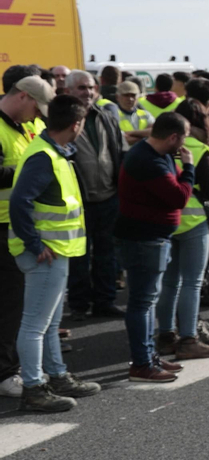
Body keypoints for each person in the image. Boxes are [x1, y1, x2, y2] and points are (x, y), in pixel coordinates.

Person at [9, 95, 101, 412]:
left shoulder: (51, 151)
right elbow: (18, 203)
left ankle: (56, 375)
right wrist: (35, 244)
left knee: (47, 323)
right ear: (76, 124)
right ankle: (34, 389)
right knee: (36, 325)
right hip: (44, 253)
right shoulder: (44, 156)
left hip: (53, 251)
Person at [113, 111, 198, 381]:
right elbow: (178, 196)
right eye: (184, 136)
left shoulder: (158, 155)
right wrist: (190, 168)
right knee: (142, 302)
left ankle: (149, 357)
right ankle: (141, 364)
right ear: (173, 137)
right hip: (143, 239)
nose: (186, 142)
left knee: (147, 302)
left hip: (152, 237)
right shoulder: (146, 159)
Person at [155, 96, 209, 358]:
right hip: (194, 222)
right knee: (192, 283)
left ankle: (166, 336)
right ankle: (188, 339)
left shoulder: (161, 145)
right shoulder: (198, 149)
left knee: (169, 282)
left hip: (166, 220)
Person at [0, 75, 55, 397]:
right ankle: (7, 374)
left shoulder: (25, 126)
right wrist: (28, 171)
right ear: (22, 96)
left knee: (15, 301)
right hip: (2, 227)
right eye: (36, 107)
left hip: (16, 226)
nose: (38, 115)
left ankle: (12, 367)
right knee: (10, 302)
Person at [63, 70, 125, 319]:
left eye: (90, 87)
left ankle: (104, 301)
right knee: (79, 255)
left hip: (108, 198)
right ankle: (79, 304)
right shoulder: (61, 119)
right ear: (68, 91)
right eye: (81, 88)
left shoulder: (107, 116)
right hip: (79, 201)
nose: (87, 93)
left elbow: (117, 150)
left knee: (106, 253)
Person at [113, 81, 154, 145]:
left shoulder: (145, 114)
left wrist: (130, 133)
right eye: (126, 95)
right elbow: (121, 139)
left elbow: (154, 132)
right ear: (117, 97)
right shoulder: (112, 115)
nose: (130, 99)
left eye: (133, 95)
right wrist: (145, 136)